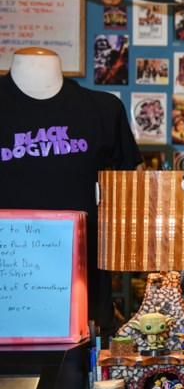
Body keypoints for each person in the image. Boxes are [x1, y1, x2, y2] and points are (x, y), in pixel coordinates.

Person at [0, 47, 142, 328]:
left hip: (82, 295)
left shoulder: (104, 109)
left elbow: (135, 192)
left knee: (77, 370)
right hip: (8, 289)